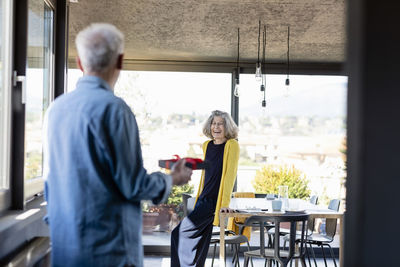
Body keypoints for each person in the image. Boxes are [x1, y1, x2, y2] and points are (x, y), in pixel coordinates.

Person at [43, 23, 192, 267]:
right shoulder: (115, 110)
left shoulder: (55, 110)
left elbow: (51, 184)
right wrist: (173, 178)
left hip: (66, 248)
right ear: (120, 61)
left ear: (81, 63)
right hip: (109, 252)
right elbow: (134, 185)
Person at [171, 110, 240, 267]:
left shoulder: (232, 145)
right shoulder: (207, 145)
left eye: (220, 124)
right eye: (213, 123)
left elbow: (230, 176)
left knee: (178, 233)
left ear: (227, 126)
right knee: (201, 242)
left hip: (214, 203)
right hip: (203, 198)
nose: (216, 127)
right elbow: (206, 175)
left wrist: (224, 204)